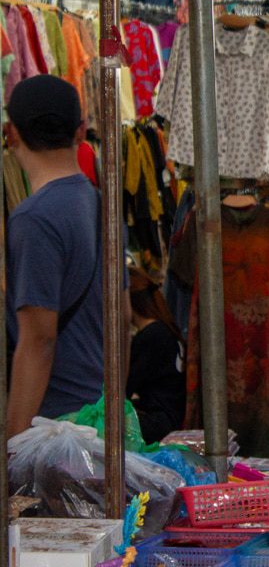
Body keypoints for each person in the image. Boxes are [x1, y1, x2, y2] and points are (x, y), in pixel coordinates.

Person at [3, 75, 124, 437]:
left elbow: (39, 341)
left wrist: (12, 445)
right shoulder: (103, 205)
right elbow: (123, 316)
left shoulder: (33, 219)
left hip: (53, 427)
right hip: (98, 416)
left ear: (11, 134)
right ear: (81, 132)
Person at [128, 267, 186, 444]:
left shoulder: (150, 336)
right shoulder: (165, 329)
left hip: (160, 422)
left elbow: (124, 388)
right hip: (172, 416)